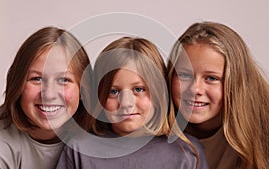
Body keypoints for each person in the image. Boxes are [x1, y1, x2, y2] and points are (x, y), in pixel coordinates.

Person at [56, 37, 209, 169]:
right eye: (114, 91)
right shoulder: (79, 149)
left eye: (139, 89)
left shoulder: (187, 152)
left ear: (159, 92)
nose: (126, 103)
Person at [0, 26, 91, 169]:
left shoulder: (100, 131)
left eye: (63, 80)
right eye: (37, 79)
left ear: (83, 89)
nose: (49, 94)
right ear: (18, 84)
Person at [167, 21, 269, 169]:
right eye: (184, 75)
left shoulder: (263, 129)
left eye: (211, 78)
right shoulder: (151, 126)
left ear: (236, 83)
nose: (195, 89)